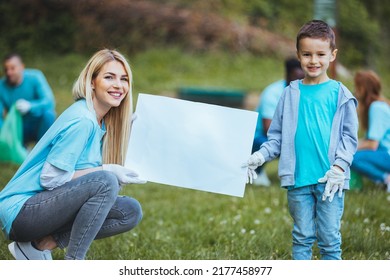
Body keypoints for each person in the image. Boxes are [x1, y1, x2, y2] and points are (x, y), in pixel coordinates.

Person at [0, 49, 146, 260]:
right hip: (22, 213)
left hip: (41, 208)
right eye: (109, 77)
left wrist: (126, 135)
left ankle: (38, 246)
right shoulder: (83, 121)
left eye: (124, 79)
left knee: (130, 210)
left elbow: (90, 183)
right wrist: (107, 171)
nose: (118, 85)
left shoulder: (98, 121)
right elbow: (51, 178)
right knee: (106, 181)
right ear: (92, 82)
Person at [243, 20, 358, 260]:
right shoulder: (289, 94)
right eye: (307, 54)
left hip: (330, 181)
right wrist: (260, 155)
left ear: (332, 55)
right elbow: (276, 137)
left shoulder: (341, 95)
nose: (313, 60)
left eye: (320, 54)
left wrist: (339, 167)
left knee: (329, 240)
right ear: (298, 55)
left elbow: (349, 137)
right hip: (298, 181)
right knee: (302, 237)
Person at [252, 58, 304, 186]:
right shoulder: (272, 93)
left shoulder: (307, 91)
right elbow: (268, 129)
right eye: (296, 77)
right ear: (287, 75)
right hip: (261, 136)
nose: (300, 81)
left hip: (291, 134)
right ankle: (257, 171)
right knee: (266, 142)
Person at [0, 53, 56, 147]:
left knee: (49, 114)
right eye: (6, 69)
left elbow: (49, 101)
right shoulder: (1, 86)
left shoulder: (35, 77)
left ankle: (43, 148)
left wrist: (30, 106)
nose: (9, 73)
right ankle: (21, 149)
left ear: (22, 67)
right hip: (17, 128)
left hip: (38, 124)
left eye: (12, 68)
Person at [351, 70, 390, 192]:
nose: (355, 91)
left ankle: (386, 179)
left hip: (387, 154)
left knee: (352, 157)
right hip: (384, 153)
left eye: (357, 87)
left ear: (363, 88)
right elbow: (368, 140)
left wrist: (348, 148)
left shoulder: (376, 107)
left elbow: (372, 145)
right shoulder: (378, 105)